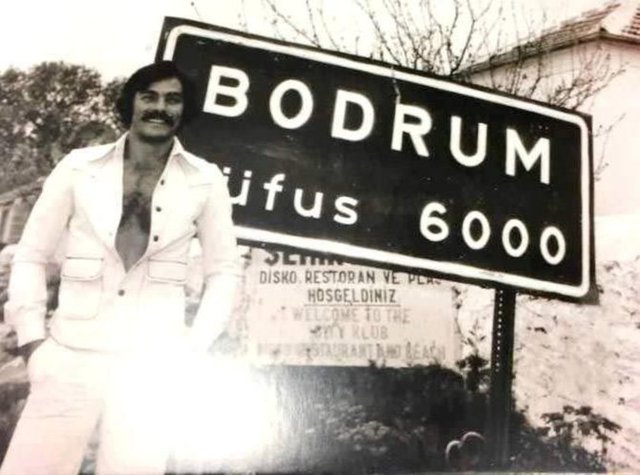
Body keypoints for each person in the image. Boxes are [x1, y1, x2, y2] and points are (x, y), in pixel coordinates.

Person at [1, 61, 241, 475]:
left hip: (151, 365)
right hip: (70, 353)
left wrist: (193, 347)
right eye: (149, 96)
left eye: (173, 99)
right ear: (130, 103)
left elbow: (225, 271)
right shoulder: (79, 167)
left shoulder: (205, 179)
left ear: (184, 110)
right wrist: (33, 342)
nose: (160, 107)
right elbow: (31, 254)